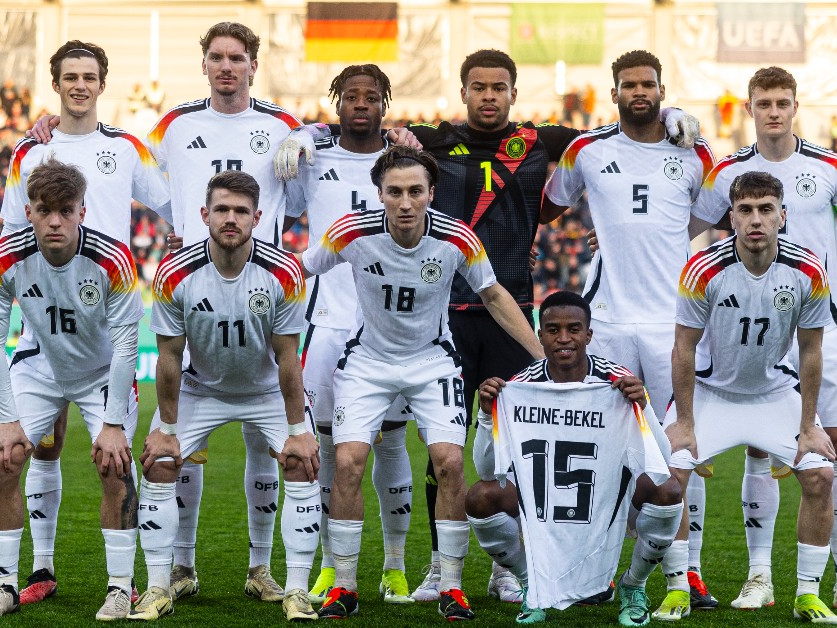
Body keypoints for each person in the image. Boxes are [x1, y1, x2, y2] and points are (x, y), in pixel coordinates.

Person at [276, 49, 699, 603]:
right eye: (478, 88)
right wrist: (306, 131)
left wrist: (669, 117)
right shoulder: (431, 139)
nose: (489, 96)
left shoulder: (540, 141)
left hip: (510, 311)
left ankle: (508, 565)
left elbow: (617, 129)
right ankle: (436, 566)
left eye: (499, 88)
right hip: (444, 317)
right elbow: (365, 117)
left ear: (513, 94)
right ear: (464, 93)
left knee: (518, 448)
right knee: (443, 453)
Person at [30, 23, 303, 601]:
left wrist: (375, 134)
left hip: (266, 281)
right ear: (203, 64)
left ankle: (260, 569)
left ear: (253, 64)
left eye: (236, 58)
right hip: (194, 281)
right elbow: (111, 151)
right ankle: (181, 567)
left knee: (265, 446)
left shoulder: (284, 124)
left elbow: (339, 149)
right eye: (216, 58)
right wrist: (56, 130)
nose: (226, 66)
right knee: (185, 444)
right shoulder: (172, 125)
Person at [299, 145, 544, 620]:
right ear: (380, 195)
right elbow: (297, 269)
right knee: (348, 460)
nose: (405, 202)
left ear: (431, 193)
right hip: (367, 360)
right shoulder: (350, 232)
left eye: (415, 191)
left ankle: (451, 586)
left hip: (432, 361)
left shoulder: (457, 239)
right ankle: (344, 587)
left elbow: (494, 295)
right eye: (395, 192)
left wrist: (541, 356)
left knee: (449, 461)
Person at [695, 66, 837, 614]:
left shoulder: (831, 168)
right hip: (751, 326)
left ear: (796, 105)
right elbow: (691, 231)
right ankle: (760, 576)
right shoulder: (728, 173)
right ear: (750, 108)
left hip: (819, 327)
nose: (774, 111)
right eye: (764, 103)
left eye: (783, 101)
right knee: (760, 446)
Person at [541, 50, 718, 617]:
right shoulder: (588, 151)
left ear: (663, 89)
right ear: (613, 92)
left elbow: (719, 210)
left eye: (648, 84)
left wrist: (662, 232)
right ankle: (597, 567)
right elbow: (544, 205)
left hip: (675, 324)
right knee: (605, 447)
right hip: (611, 322)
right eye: (628, 85)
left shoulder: (692, 151)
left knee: (681, 448)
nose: (638, 92)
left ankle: (685, 571)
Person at [4, 40, 174, 606]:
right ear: (56, 84)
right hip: (43, 329)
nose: (80, 84)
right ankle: (41, 568)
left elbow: (169, 206)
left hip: (107, 327)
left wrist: (174, 240)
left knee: (114, 458)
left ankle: (120, 586)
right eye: (70, 76)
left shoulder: (126, 148)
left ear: (103, 83)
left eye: (89, 76)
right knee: (41, 448)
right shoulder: (29, 151)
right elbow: (9, 231)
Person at [129, 170, 321, 622]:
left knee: (301, 462)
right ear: (204, 216)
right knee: (158, 462)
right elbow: (170, 358)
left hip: (267, 390)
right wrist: (169, 432)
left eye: (240, 211)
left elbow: (289, 358)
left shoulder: (285, 271)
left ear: (257, 217)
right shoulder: (174, 273)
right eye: (221, 210)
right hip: (203, 388)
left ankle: (293, 589)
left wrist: (297, 431)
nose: (230, 218)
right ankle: (160, 586)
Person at [0, 159, 143, 620]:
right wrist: (7, 419)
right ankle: (4, 584)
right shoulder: (3, 259)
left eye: (65, 210)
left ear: (82, 211)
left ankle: (121, 588)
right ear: (28, 211)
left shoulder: (114, 259)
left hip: (101, 371)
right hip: (38, 366)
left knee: (114, 463)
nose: (55, 221)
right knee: (4, 459)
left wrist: (112, 424)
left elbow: (128, 346)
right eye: (45, 210)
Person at [667, 170, 837, 625]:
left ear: (783, 216)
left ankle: (807, 594)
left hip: (774, 393)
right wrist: (684, 423)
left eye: (766, 210)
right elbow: (683, 347)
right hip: (711, 394)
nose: (755, 220)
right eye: (745, 210)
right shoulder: (703, 269)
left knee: (821, 474)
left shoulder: (808, 271)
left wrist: (808, 425)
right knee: (671, 474)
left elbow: (811, 350)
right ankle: (676, 588)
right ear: (731, 217)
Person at [282, 64, 415, 605]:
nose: (361, 104)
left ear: (385, 101)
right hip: (329, 324)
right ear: (336, 102)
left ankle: (395, 565)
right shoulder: (314, 158)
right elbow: (284, 211)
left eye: (372, 96)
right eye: (351, 96)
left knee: (391, 444)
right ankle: (332, 565)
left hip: (390, 327)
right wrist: (301, 136)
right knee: (331, 449)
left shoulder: (405, 160)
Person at [468, 290, 682, 626]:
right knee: (481, 498)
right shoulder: (520, 386)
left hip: (608, 496)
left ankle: (633, 586)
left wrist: (644, 407)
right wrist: (485, 416)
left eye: (574, 329)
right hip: (544, 498)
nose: (564, 339)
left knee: (668, 489)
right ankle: (532, 585)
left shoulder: (616, 382)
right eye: (553, 330)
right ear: (541, 335)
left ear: (589, 334)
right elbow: (485, 470)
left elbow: (662, 458)